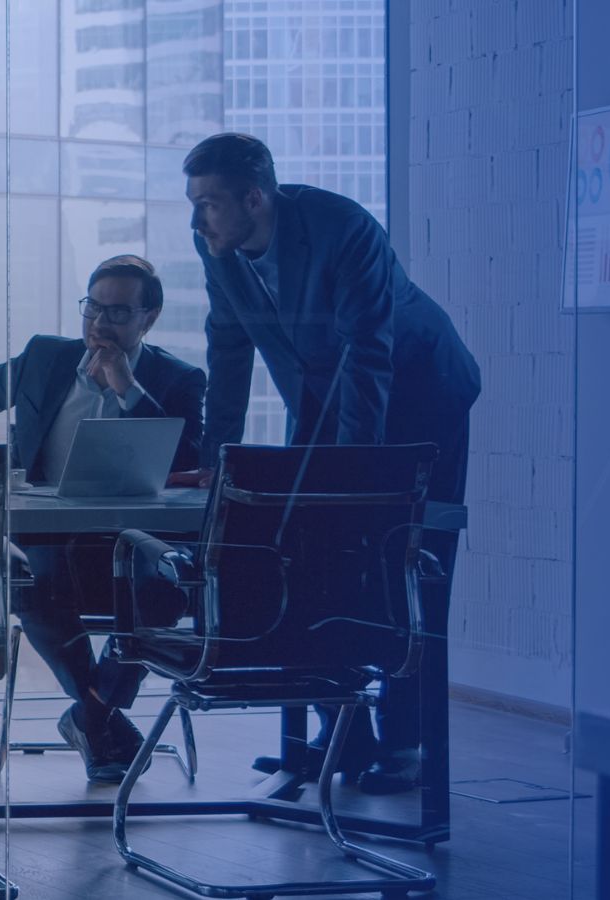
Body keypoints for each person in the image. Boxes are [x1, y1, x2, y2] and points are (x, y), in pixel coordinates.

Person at [183, 132, 480, 794]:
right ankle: (343, 731)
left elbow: (370, 352)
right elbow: (227, 348)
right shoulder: (216, 246)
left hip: (420, 392)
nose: (197, 220)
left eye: (208, 203)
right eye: (193, 203)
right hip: (324, 395)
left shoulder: (342, 228)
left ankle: (404, 744)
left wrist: (352, 476)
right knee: (303, 554)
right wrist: (214, 461)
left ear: (254, 198)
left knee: (407, 561)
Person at [0, 254, 206, 783]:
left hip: (132, 541)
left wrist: (126, 388)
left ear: (149, 318)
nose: (99, 323)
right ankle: (100, 717)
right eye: (93, 307)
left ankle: (91, 717)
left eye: (118, 313)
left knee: (165, 592)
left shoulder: (178, 379)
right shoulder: (45, 358)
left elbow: (186, 460)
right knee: (32, 583)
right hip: (47, 535)